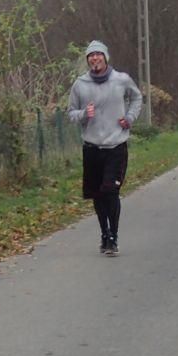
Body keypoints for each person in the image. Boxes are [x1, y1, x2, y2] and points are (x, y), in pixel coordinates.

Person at [67, 40, 142, 256]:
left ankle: (113, 236)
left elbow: (137, 97)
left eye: (98, 54)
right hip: (92, 147)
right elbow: (71, 113)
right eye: (91, 56)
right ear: (88, 60)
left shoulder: (121, 79)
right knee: (98, 194)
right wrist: (84, 114)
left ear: (105, 57)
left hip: (115, 146)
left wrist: (130, 117)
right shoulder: (80, 84)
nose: (95, 59)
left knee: (110, 191)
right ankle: (104, 233)